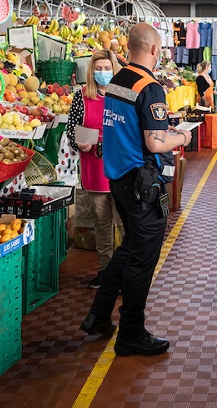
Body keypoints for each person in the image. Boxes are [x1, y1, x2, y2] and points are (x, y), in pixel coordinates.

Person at [80, 23, 191, 356]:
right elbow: (155, 142)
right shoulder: (150, 87)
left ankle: (99, 315)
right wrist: (182, 136)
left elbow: (129, 127)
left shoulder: (116, 82)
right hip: (143, 186)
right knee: (142, 260)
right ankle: (131, 333)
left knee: (128, 249)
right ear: (155, 50)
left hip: (118, 180)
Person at [66, 49, 125, 287]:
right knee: (101, 223)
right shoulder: (82, 96)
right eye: (98, 69)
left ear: (114, 69)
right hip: (94, 169)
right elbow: (73, 128)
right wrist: (80, 141)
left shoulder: (123, 95)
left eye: (107, 68)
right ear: (91, 72)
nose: (103, 73)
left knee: (124, 223)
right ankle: (107, 272)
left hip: (121, 169)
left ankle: (127, 274)